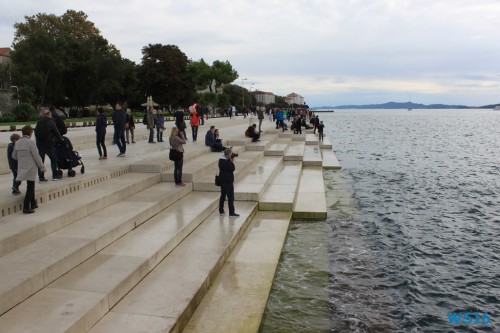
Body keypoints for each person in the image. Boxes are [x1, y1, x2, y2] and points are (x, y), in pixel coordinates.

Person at [12, 125, 46, 214]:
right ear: (30, 133)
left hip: (22, 167)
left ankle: (33, 203)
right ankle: (26, 207)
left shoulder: (18, 142)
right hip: (30, 167)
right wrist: (42, 167)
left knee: (30, 184)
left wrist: (22, 159)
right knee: (30, 186)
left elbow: (14, 156)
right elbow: (36, 156)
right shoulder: (31, 142)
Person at [35, 109, 64, 181]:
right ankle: (55, 175)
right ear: (49, 115)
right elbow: (57, 133)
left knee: (41, 161)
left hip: (39, 144)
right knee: (53, 159)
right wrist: (62, 140)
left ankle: (41, 177)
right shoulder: (50, 122)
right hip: (48, 144)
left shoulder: (39, 122)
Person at [218, 148, 239, 217]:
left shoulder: (220, 160)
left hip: (222, 181)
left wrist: (229, 160)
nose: (231, 155)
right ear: (228, 155)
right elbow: (232, 168)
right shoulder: (226, 162)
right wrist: (231, 161)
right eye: (230, 154)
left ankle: (221, 210)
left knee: (222, 196)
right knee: (230, 197)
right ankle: (231, 212)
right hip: (228, 181)